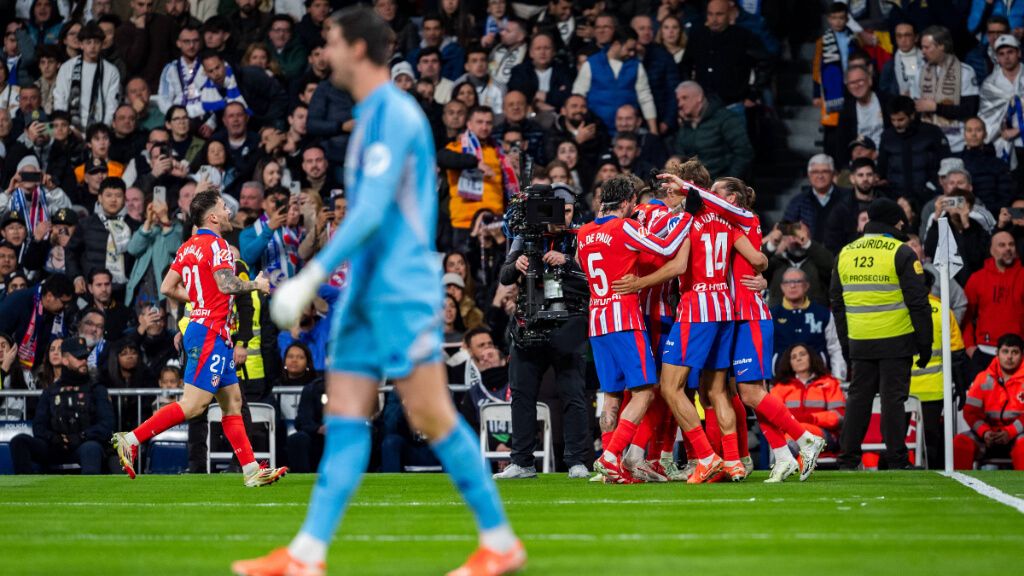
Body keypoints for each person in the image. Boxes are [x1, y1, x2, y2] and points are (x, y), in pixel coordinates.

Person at [233, 8, 524, 576]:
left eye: (332, 41)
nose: (324, 52)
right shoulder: (369, 114)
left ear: (359, 49)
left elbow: (370, 210)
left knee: (432, 416)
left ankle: (500, 540)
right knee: (344, 416)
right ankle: (307, 554)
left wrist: (311, 275)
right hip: (365, 294)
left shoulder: (393, 112)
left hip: (400, 291)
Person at [110, 190, 286, 487]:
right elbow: (226, 284)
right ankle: (131, 439)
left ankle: (251, 470)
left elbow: (167, 287)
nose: (229, 212)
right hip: (209, 333)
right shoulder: (219, 245)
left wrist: (200, 299)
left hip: (208, 331)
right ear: (213, 217)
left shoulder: (188, 246)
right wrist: (255, 284)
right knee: (194, 405)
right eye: (224, 207)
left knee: (232, 403)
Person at [492, 184, 590, 481]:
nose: (563, 217)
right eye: (557, 210)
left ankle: (576, 461)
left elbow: (594, 279)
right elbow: (504, 276)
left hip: (569, 321)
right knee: (522, 394)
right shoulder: (525, 237)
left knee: (573, 393)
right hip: (529, 321)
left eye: (568, 211)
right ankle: (521, 461)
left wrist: (568, 262)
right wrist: (517, 263)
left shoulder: (581, 237)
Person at [830, 198, 933, 470]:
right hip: (896, 340)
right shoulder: (902, 252)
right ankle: (897, 460)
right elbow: (919, 303)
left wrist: (846, 345)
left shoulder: (845, 253)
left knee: (858, 399)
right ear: (895, 222)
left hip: (860, 341)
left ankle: (847, 459)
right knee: (893, 400)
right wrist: (925, 344)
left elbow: (837, 305)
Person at [8, 337, 113, 475]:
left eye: (85, 357)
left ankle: (88, 489)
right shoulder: (51, 391)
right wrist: (54, 438)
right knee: (19, 441)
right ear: (65, 360)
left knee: (91, 448)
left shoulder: (96, 389)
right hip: (55, 446)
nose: (83, 361)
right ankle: (25, 487)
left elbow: (106, 425)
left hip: (83, 445)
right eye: (78, 357)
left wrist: (80, 437)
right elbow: (38, 426)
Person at [954, 333, 1024, 470]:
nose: (1009, 357)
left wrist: (1010, 432)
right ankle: (959, 483)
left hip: (1018, 436)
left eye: (1015, 352)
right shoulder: (983, 378)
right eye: (1005, 351)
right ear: (997, 353)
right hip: (986, 438)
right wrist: (984, 432)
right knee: (960, 443)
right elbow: (970, 412)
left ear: (1022, 355)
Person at [572, 26, 658, 135]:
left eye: (634, 50)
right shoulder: (591, 64)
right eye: (629, 49)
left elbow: (645, 98)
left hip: (627, 131)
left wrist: (654, 131)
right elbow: (578, 96)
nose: (632, 53)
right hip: (596, 131)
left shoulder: (636, 66)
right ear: (616, 44)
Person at [962, 231, 1024, 379]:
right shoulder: (977, 279)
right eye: (1002, 245)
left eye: (1011, 244)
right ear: (991, 250)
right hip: (985, 354)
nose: (1008, 248)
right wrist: (970, 348)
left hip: (1018, 354)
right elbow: (966, 317)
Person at [769, 343, 846, 457]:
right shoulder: (780, 388)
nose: (798, 358)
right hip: (791, 437)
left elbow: (839, 416)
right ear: (790, 363)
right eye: (794, 357)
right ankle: (788, 460)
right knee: (799, 451)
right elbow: (775, 419)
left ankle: (784, 459)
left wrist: (811, 419)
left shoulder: (829, 383)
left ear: (811, 357)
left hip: (825, 435)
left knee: (800, 431)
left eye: (802, 354)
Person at [771, 267, 848, 379]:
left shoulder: (823, 314)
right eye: (787, 282)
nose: (792, 286)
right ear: (782, 287)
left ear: (806, 285)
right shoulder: (771, 316)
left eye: (797, 281)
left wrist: (838, 378)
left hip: (819, 379)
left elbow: (835, 348)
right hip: (781, 380)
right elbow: (762, 351)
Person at [877, 95, 951, 205]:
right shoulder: (887, 137)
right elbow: (882, 169)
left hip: (929, 196)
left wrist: (932, 187)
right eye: (893, 120)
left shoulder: (932, 133)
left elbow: (946, 163)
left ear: (912, 115)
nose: (896, 124)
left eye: (901, 119)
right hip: (897, 199)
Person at [673, 81, 753, 180]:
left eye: (685, 98)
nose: (680, 104)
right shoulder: (685, 124)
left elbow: (744, 153)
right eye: (678, 100)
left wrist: (727, 182)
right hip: (696, 184)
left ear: (699, 97)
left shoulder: (725, 118)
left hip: (721, 182)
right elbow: (680, 154)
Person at [917, 25, 979, 153]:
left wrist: (936, 107)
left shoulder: (965, 72)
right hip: (927, 144)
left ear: (941, 46)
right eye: (922, 47)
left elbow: (969, 110)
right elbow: (916, 106)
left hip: (957, 144)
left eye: (927, 47)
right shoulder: (920, 73)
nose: (922, 51)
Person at [52, 22, 121, 131]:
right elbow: (60, 99)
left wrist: (103, 129)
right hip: (70, 128)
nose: (93, 46)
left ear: (102, 45)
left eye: (97, 42)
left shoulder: (111, 71)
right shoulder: (67, 67)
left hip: (99, 129)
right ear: (81, 45)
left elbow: (111, 105)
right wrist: (66, 127)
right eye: (88, 42)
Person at [0, 273, 74, 371]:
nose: (66, 307)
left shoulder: (59, 311)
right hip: (11, 367)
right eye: (64, 303)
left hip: (41, 368)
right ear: (49, 296)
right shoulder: (17, 301)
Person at [783, 154, 854, 253]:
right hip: (809, 254)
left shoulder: (848, 197)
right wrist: (798, 230)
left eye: (825, 171)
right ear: (809, 175)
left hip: (844, 253)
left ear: (833, 174)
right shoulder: (799, 200)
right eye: (815, 172)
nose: (820, 176)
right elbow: (784, 226)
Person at [282, 342, 325, 473]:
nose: (294, 360)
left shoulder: (316, 387)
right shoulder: (273, 386)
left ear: (308, 362)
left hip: (314, 435)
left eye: (300, 357)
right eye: (290, 356)